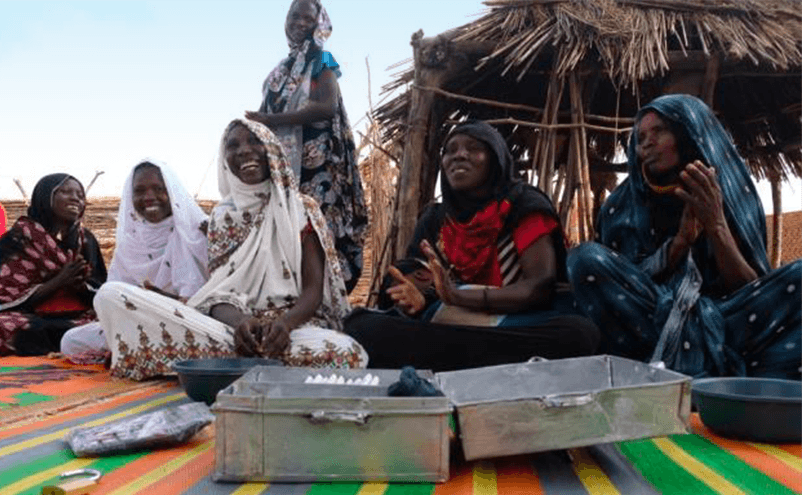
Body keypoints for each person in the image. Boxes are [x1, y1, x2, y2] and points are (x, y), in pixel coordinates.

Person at [94, 119, 367, 380]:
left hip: (294, 328)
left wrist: (284, 325)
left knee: (347, 354)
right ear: (225, 160)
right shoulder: (222, 217)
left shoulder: (301, 208)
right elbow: (219, 292)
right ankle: (252, 361)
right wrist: (242, 323)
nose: (244, 150)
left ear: (271, 148)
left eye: (253, 141)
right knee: (110, 295)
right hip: (232, 329)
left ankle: (217, 365)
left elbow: (313, 290)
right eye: (233, 146)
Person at [568, 94, 801, 379]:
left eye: (659, 131)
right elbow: (624, 284)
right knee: (584, 259)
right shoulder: (623, 205)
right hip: (650, 320)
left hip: (729, 321)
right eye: (640, 137)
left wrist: (715, 224)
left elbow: (750, 289)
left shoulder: (727, 188)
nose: (647, 143)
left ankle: (691, 363)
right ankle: (702, 366)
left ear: (690, 132)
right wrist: (679, 244)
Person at [344, 121, 600, 370]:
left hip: (516, 324)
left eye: (473, 148)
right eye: (450, 151)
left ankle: (449, 363)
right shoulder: (435, 218)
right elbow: (410, 277)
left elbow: (538, 288)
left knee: (578, 334)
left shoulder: (522, 205)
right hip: (452, 327)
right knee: (360, 327)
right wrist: (414, 299)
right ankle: (489, 365)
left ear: (496, 158)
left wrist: (457, 295)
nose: (459, 156)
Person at [245, 0, 367, 293]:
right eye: (294, 16)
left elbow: (326, 106)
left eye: (308, 18)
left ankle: (325, 298)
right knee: (289, 232)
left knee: (317, 229)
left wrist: (272, 119)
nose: (300, 22)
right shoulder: (280, 71)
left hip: (319, 168)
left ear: (319, 24)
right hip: (285, 169)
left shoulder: (323, 59)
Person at [60, 159, 209, 363]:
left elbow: (198, 305)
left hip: (184, 323)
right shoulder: (130, 241)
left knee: (107, 295)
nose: (149, 197)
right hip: (138, 324)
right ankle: (141, 349)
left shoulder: (190, 233)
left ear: (172, 191)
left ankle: (136, 350)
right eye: (139, 191)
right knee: (71, 340)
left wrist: (158, 300)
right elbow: (115, 296)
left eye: (158, 189)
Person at [0, 174, 107, 356]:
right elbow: (6, 297)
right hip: (31, 318)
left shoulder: (86, 240)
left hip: (80, 318)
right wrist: (59, 281)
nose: (75, 198)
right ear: (44, 196)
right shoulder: (18, 238)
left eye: (80, 195)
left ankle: (68, 343)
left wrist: (81, 287)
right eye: (65, 192)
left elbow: (102, 292)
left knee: (109, 326)